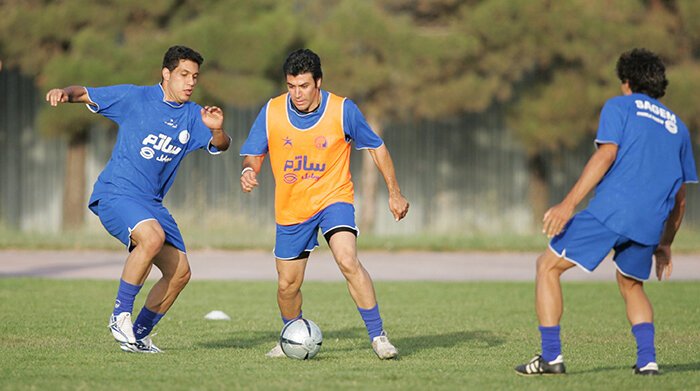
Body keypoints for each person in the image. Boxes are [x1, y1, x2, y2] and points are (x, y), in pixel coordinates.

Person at [515, 48, 697, 376]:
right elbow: (681, 198)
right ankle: (648, 361)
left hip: (613, 210)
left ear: (627, 82)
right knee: (631, 285)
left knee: (547, 267)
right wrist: (666, 243)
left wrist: (567, 204)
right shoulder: (679, 128)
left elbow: (605, 155)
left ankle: (551, 357)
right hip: (649, 222)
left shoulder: (619, 105)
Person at [46, 45, 231, 353]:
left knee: (180, 272)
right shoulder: (135, 98)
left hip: (151, 203)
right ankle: (120, 315)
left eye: (195, 77)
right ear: (166, 73)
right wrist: (64, 93)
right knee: (151, 237)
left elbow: (221, 145)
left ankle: (140, 335)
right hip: (116, 193)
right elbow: (85, 93)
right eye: (184, 75)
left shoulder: (192, 115)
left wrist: (217, 130)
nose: (190, 82)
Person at [240, 48, 409, 359]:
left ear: (318, 81)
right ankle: (292, 335)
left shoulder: (342, 110)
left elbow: (377, 147)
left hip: (334, 197)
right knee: (287, 285)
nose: (297, 93)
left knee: (347, 259)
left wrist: (394, 192)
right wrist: (250, 169)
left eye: (303, 86)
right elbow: (254, 151)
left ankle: (378, 337)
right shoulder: (272, 111)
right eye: (291, 86)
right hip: (291, 208)